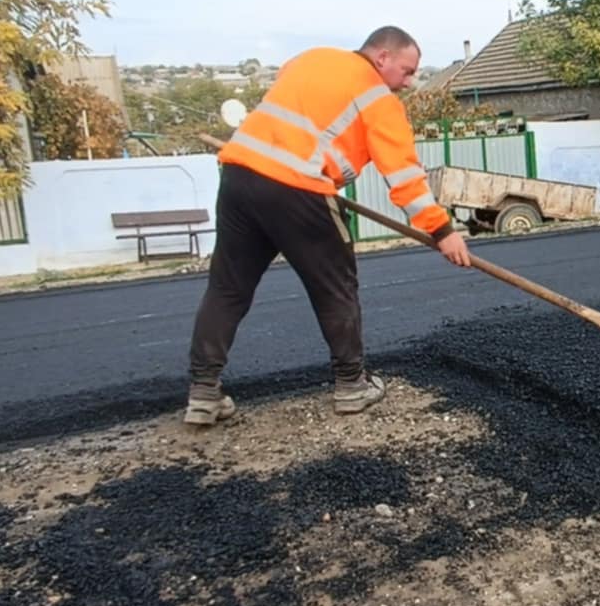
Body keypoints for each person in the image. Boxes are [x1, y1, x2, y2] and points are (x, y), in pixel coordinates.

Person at [183, 26, 472, 425]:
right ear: (382, 57)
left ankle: (203, 393)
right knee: (336, 285)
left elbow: (302, 110)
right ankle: (352, 385)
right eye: (406, 72)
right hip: (298, 187)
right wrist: (442, 231)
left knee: (227, 287)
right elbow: (404, 177)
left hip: (239, 175)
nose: (408, 83)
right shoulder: (377, 97)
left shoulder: (312, 58)